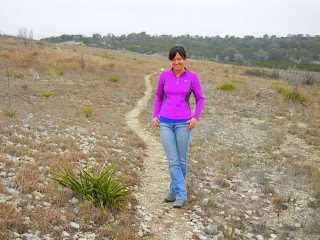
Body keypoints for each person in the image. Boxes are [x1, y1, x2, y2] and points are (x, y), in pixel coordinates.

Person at [152, 46, 204, 208]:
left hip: (184, 123)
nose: (176, 62)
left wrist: (195, 117)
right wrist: (155, 115)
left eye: (179, 59)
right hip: (165, 122)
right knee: (173, 160)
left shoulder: (192, 77)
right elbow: (159, 97)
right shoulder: (164, 76)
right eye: (173, 59)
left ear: (184, 59)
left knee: (182, 160)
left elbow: (200, 99)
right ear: (170, 61)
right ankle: (182, 195)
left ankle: (174, 191)